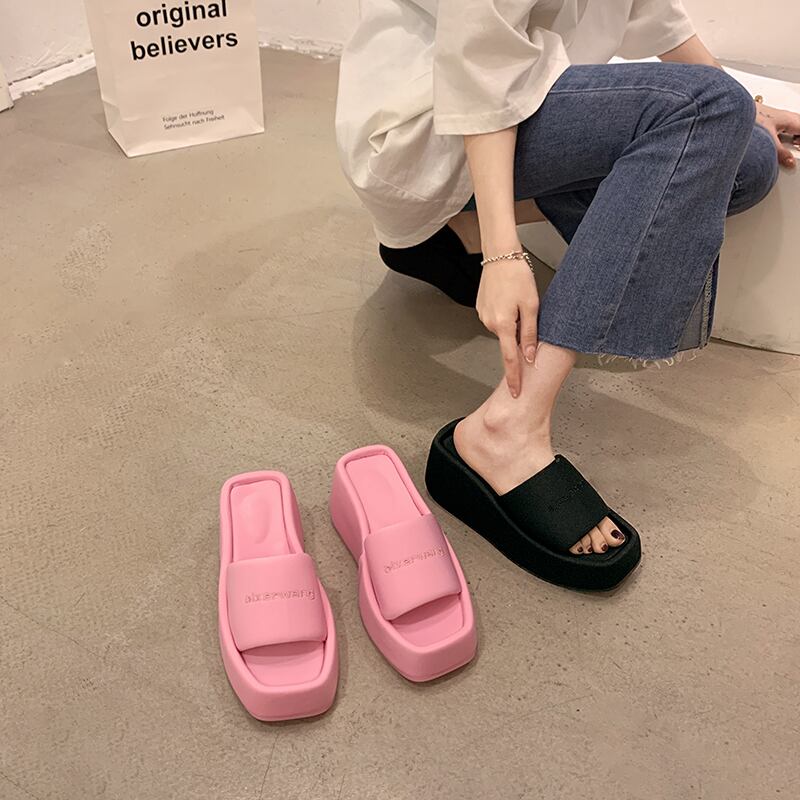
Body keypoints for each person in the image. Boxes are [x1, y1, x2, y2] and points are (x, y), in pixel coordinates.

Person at [334, 1, 799, 584]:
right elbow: (480, 64)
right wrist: (503, 254)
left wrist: (751, 110)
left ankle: (455, 231)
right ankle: (508, 424)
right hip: (431, 116)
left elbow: (650, 10)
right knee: (706, 107)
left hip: (525, 89)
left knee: (747, 159)